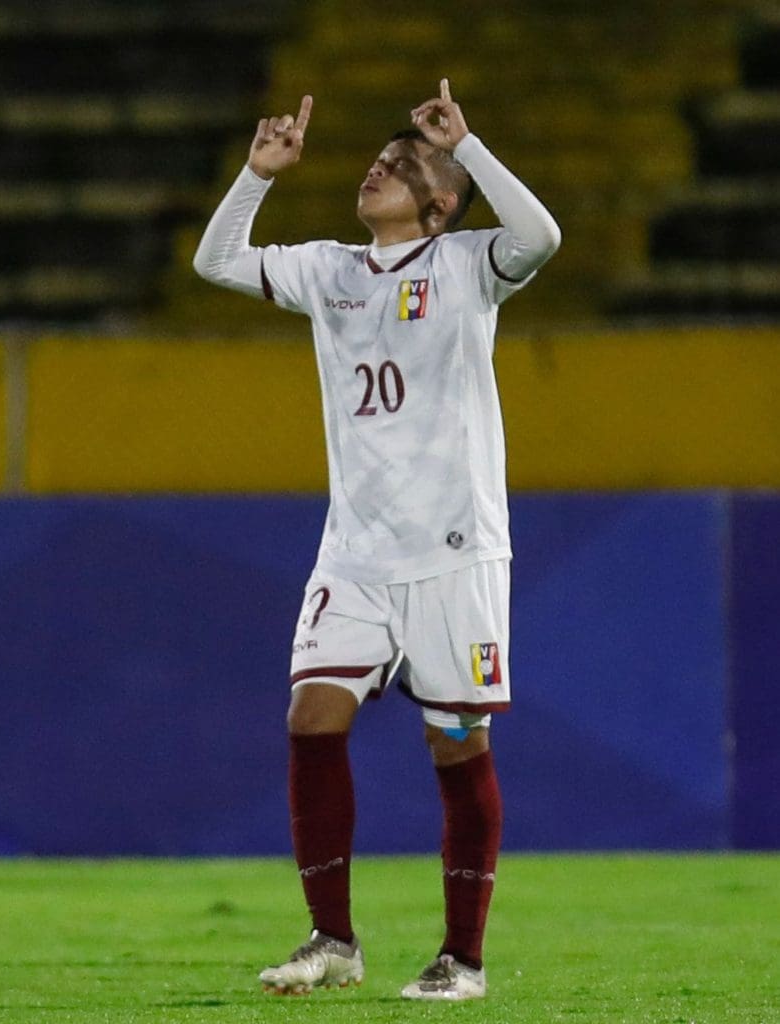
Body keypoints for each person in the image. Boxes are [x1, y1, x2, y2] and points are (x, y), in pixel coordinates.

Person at [194, 78, 561, 1001]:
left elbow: (542, 237)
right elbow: (215, 261)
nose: (378, 167)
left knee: (455, 744)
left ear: (438, 206)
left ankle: (461, 960)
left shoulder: (470, 265)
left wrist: (467, 147)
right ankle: (332, 941)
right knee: (312, 717)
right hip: (354, 552)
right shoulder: (330, 269)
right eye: (378, 158)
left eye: (403, 167)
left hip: (454, 551)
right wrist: (255, 174)